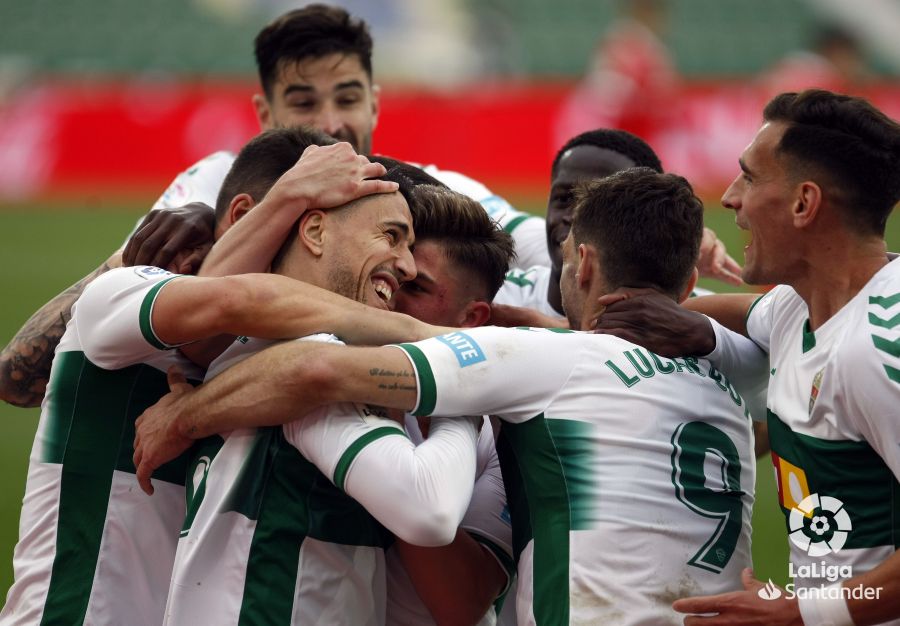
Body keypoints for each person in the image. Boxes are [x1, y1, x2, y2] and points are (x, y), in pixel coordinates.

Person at [134, 167, 757, 625]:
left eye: (415, 283)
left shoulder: (539, 370)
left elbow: (315, 372)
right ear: (692, 281)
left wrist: (186, 413)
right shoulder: (735, 384)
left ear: (584, 264)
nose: (390, 293)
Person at [0, 129, 422, 626]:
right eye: (304, 222)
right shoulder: (132, 292)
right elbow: (237, 300)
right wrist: (429, 337)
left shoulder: (271, 351)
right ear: (251, 217)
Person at [595, 89, 900, 625]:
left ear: (805, 203)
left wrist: (802, 612)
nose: (731, 198)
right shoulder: (796, 306)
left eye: (750, 178)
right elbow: (687, 313)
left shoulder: (878, 349)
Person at [492, 128, 742, 327]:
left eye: (597, 205)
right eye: (563, 199)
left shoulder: (708, 321)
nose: (574, 216)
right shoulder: (496, 297)